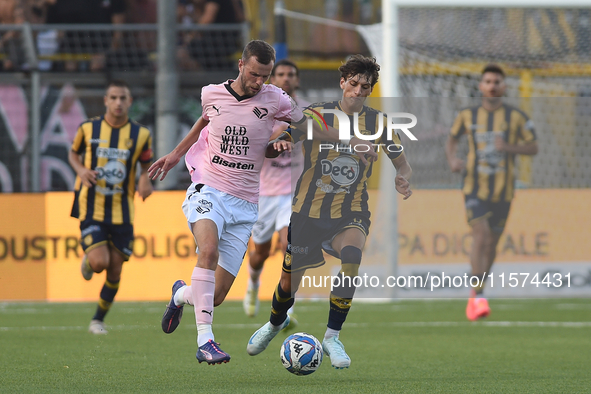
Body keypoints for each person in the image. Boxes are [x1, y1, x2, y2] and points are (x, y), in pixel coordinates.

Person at [149, 40, 376, 365]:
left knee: (214, 296)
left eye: (265, 76)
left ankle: (180, 294)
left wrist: (350, 142)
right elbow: (205, 119)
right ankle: (206, 341)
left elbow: (309, 126)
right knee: (208, 251)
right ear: (241, 66)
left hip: (245, 203)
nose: (259, 82)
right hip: (208, 188)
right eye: (254, 74)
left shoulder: (275, 98)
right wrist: (174, 155)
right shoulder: (211, 92)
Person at [246, 55, 413, 370]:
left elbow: (401, 161)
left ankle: (332, 336)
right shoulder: (316, 114)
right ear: (342, 83)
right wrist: (280, 143)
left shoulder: (379, 123)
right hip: (307, 210)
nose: (358, 92)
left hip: (351, 210)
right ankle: (274, 323)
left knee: (352, 257)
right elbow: (286, 136)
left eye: (365, 87)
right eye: (353, 84)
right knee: (288, 283)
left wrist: (402, 177)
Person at [445, 64, 538, 321]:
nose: (492, 85)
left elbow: (533, 147)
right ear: (481, 86)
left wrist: (508, 146)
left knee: (493, 243)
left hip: (504, 190)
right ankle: (476, 297)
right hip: (474, 186)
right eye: (487, 81)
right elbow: (452, 138)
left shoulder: (516, 116)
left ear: (504, 86)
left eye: (497, 81)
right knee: (481, 235)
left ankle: (479, 290)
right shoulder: (467, 114)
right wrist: (453, 159)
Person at [69, 80, 153, 334]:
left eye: (123, 98)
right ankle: (89, 259)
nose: (118, 103)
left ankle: (98, 320)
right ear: (105, 100)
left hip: (122, 209)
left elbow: (146, 163)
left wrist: (144, 179)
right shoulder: (88, 128)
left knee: (115, 270)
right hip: (91, 204)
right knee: (99, 263)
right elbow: (73, 154)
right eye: (113, 98)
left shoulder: (141, 135)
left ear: (130, 102)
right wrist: (82, 170)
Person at [243, 59, 308, 320]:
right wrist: (282, 133)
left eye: (291, 74)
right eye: (280, 74)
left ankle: (287, 308)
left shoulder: (306, 112)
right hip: (264, 193)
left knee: (288, 246)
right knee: (260, 253)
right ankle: (253, 283)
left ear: (297, 80)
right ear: (271, 79)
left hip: (292, 194)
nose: (286, 78)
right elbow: (252, 144)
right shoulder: (260, 110)